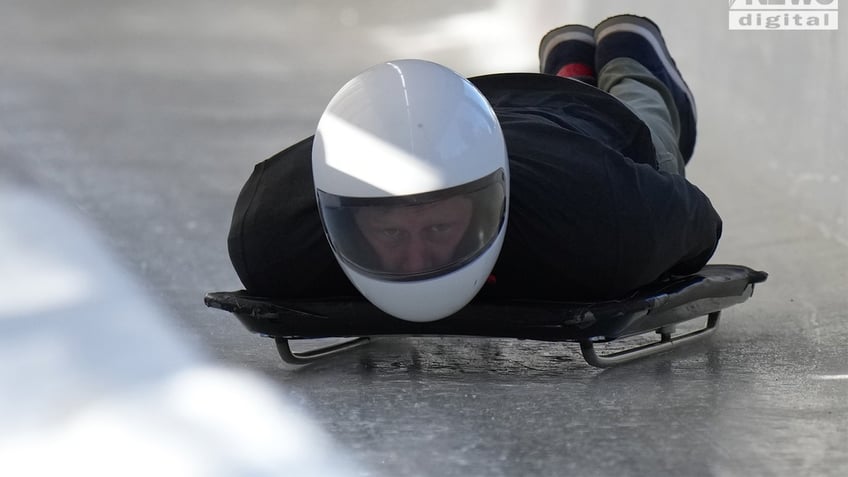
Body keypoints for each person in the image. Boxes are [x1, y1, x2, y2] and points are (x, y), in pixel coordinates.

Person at [226, 14, 722, 322]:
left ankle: (630, 58)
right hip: (446, 108)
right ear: (344, 218)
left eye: (439, 227)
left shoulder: (602, 220)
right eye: (392, 233)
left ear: (490, 201)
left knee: (651, 138)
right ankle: (572, 65)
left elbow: (698, 221)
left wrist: (663, 237)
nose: (417, 258)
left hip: (580, 133)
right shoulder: (271, 238)